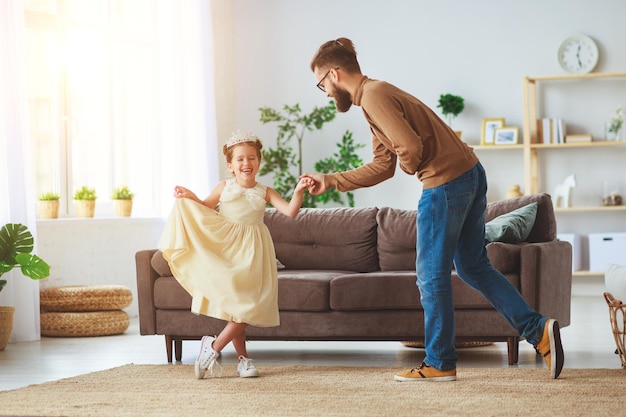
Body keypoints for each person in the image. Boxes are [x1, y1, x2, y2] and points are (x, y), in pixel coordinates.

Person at [303, 37, 564, 381]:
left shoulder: (374, 96)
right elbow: (383, 165)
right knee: (473, 266)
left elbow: (408, 149)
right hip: (469, 173)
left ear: (334, 74)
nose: (323, 92)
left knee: (430, 275)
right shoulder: (374, 98)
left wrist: (412, 165)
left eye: (321, 83)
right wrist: (332, 180)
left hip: (444, 183)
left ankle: (440, 362)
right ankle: (539, 330)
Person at [158, 129, 311, 379]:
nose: (246, 163)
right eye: (240, 159)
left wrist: (299, 191)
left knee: (248, 305)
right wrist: (189, 196)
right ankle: (242, 359)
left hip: (253, 252)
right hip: (226, 247)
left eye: (251, 158)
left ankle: (215, 346)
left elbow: (291, 211)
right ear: (231, 166)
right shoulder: (224, 187)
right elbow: (205, 206)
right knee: (238, 308)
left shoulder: (265, 191)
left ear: (259, 162)